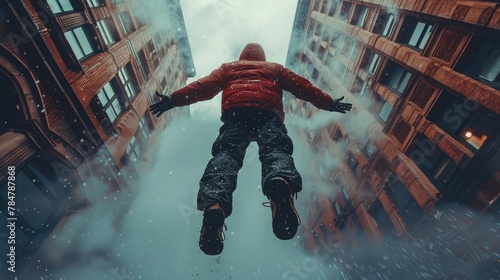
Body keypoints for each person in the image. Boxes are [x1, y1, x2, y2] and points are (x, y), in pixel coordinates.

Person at [149, 43, 352, 255]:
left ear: (242, 55)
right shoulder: (274, 68)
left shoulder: (229, 68)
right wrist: (328, 103)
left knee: (226, 156)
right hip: (268, 113)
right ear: (261, 57)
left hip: (236, 115)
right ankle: (279, 182)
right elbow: (302, 86)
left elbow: (203, 87)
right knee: (276, 150)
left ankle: (214, 205)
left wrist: (173, 100)